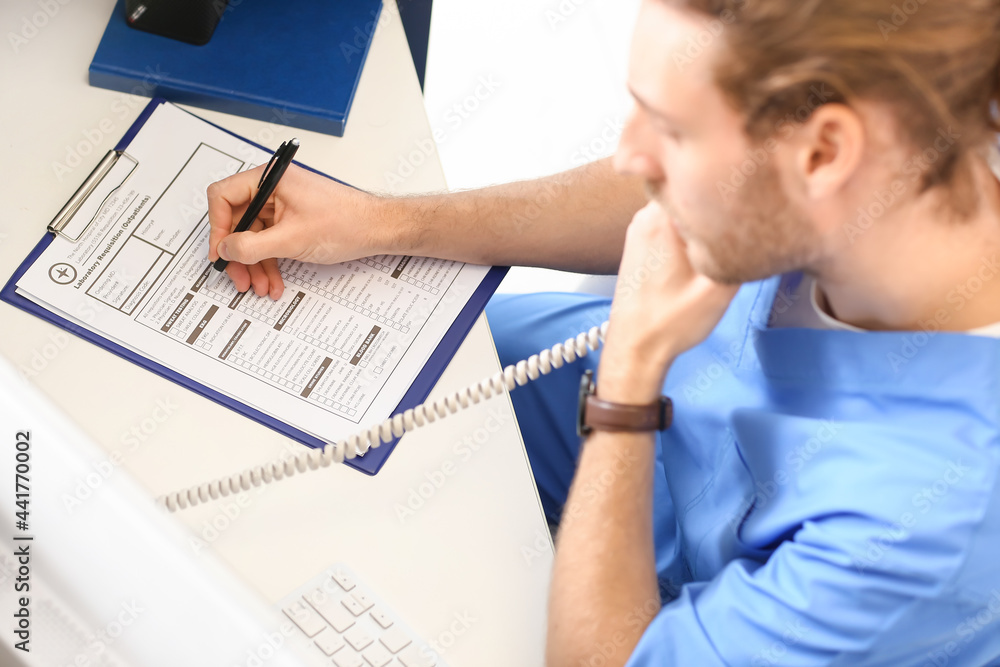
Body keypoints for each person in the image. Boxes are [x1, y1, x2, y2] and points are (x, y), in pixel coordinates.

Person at [206, 0, 1000, 664]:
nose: (628, 156)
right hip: (613, 431)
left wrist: (628, 381)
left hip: (645, 568)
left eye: (672, 130)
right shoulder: (893, 169)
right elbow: (663, 190)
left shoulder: (927, 520)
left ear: (824, 154)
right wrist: (386, 220)